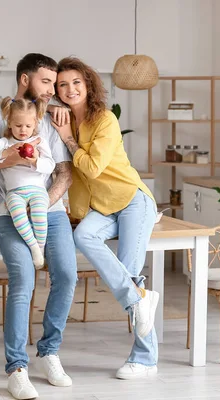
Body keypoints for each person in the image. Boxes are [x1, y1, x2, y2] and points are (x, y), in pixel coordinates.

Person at [0, 53, 77, 400]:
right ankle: (17, 368)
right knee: (24, 278)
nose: (52, 89)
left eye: (55, 83)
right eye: (46, 82)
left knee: (66, 274)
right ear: (24, 80)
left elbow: (64, 171)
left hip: (49, 208)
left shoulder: (51, 117)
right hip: (7, 209)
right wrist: (12, 156)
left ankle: (48, 352)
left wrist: (44, 205)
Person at [51, 56, 160, 380]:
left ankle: (145, 358)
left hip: (131, 200)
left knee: (129, 272)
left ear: (88, 85)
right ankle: (141, 302)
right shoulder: (63, 117)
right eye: (62, 84)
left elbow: (93, 168)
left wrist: (69, 138)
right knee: (82, 236)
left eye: (76, 83)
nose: (70, 89)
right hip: (101, 206)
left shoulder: (105, 120)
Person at [0, 96, 55, 268]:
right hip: (14, 192)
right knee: (17, 215)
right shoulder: (4, 143)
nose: (23, 130)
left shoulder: (38, 142)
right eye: (18, 125)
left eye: (28, 126)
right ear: (9, 123)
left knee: (39, 214)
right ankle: (34, 248)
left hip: (37, 190)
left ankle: (41, 247)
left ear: (35, 124)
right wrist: (6, 153)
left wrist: (36, 160)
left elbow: (50, 165)